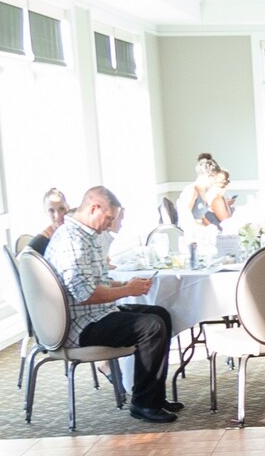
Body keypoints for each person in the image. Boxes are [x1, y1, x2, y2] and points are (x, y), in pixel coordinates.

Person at [43, 187, 180, 423]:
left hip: (95, 315)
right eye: (108, 218)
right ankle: (143, 404)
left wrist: (125, 284)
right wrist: (127, 290)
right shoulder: (72, 240)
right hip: (79, 326)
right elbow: (85, 294)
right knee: (152, 326)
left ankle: (152, 397)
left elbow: (96, 281)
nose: (109, 225)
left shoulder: (85, 236)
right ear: (94, 208)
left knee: (160, 315)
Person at [175, 152, 217, 220]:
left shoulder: (205, 192)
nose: (214, 181)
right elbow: (185, 220)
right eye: (213, 177)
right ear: (206, 174)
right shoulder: (191, 190)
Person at [28, 188, 70, 255]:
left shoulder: (74, 232)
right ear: (45, 212)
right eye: (51, 211)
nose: (57, 216)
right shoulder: (41, 241)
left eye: (61, 209)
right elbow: (21, 260)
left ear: (68, 207)